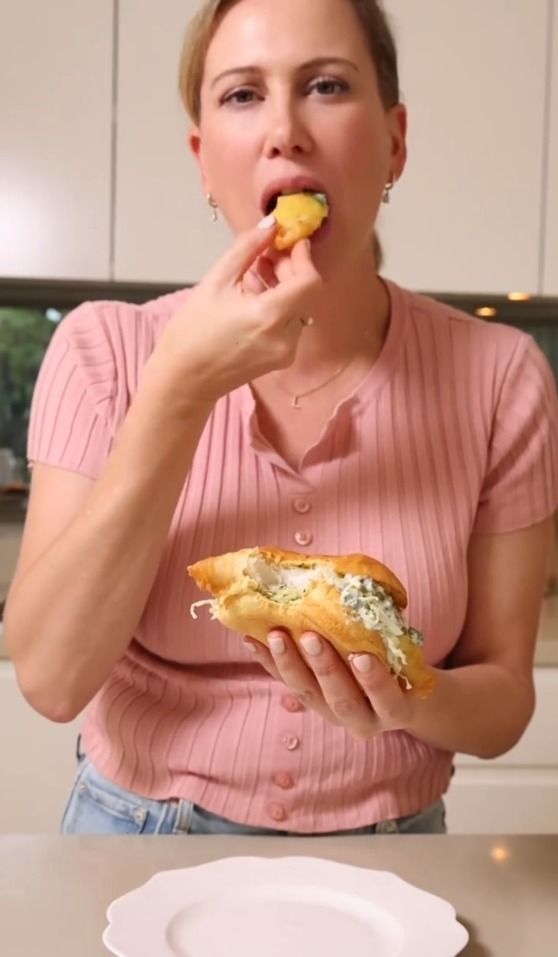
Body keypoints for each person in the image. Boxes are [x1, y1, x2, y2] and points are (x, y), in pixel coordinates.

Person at [5, 0, 558, 837]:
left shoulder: (502, 377)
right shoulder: (104, 351)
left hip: (389, 858)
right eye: (242, 95)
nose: (284, 132)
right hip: (135, 840)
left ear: (395, 141)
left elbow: (505, 701)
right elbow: (50, 679)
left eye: (326, 86)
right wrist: (180, 390)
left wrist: (410, 698)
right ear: (203, 160)